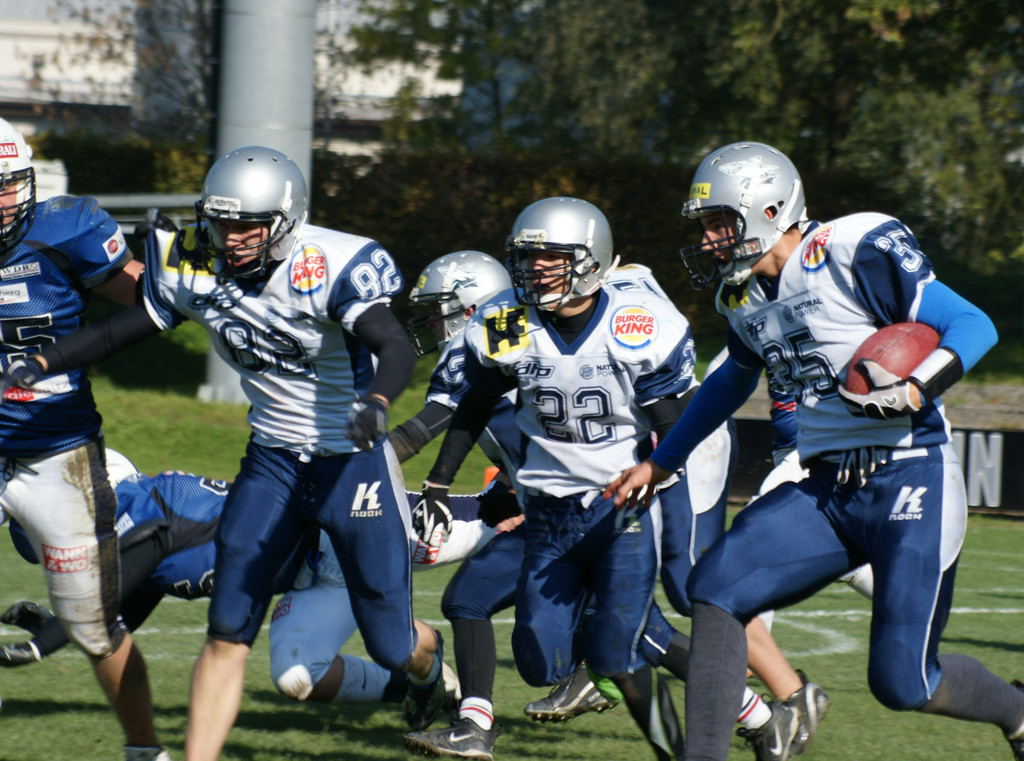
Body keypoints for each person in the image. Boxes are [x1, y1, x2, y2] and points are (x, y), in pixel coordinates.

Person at [1, 145, 444, 761]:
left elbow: (392, 344)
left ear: (285, 221)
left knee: (391, 644)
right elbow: (118, 330)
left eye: (246, 225)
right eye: (222, 222)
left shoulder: (334, 263)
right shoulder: (196, 263)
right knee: (228, 627)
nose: (230, 238)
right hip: (273, 462)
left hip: (351, 463)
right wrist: (45, 360)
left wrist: (375, 399)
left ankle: (431, 670)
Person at [605, 141, 1024, 761]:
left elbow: (974, 324)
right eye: (706, 227)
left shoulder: (853, 248)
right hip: (827, 485)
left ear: (772, 208)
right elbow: (728, 382)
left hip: (911, 474)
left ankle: (1018, 714)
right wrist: (660, 462)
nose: (712, 240)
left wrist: (914, 387)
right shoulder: (742, 296)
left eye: (722, 222)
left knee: (903, 683)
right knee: (714, 584)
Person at [411, 197, 703, 761]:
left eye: (551, 258)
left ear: (590, 260)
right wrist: (439, 481)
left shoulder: (632, 323)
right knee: (538, 660)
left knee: (620, 653)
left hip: (619, 513)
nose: (535, 270)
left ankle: (682, 753)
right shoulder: (505, 322)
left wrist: (657, 470)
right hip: (547, 516)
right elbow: (474, 404)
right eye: (528, 258)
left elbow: (676, 422)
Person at [0, 117, 170, 761]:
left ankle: (144, 751)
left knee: (91, 626)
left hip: (58, 454)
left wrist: (173, 276)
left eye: (1, 188)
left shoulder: (65, 231)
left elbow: (149, 305)